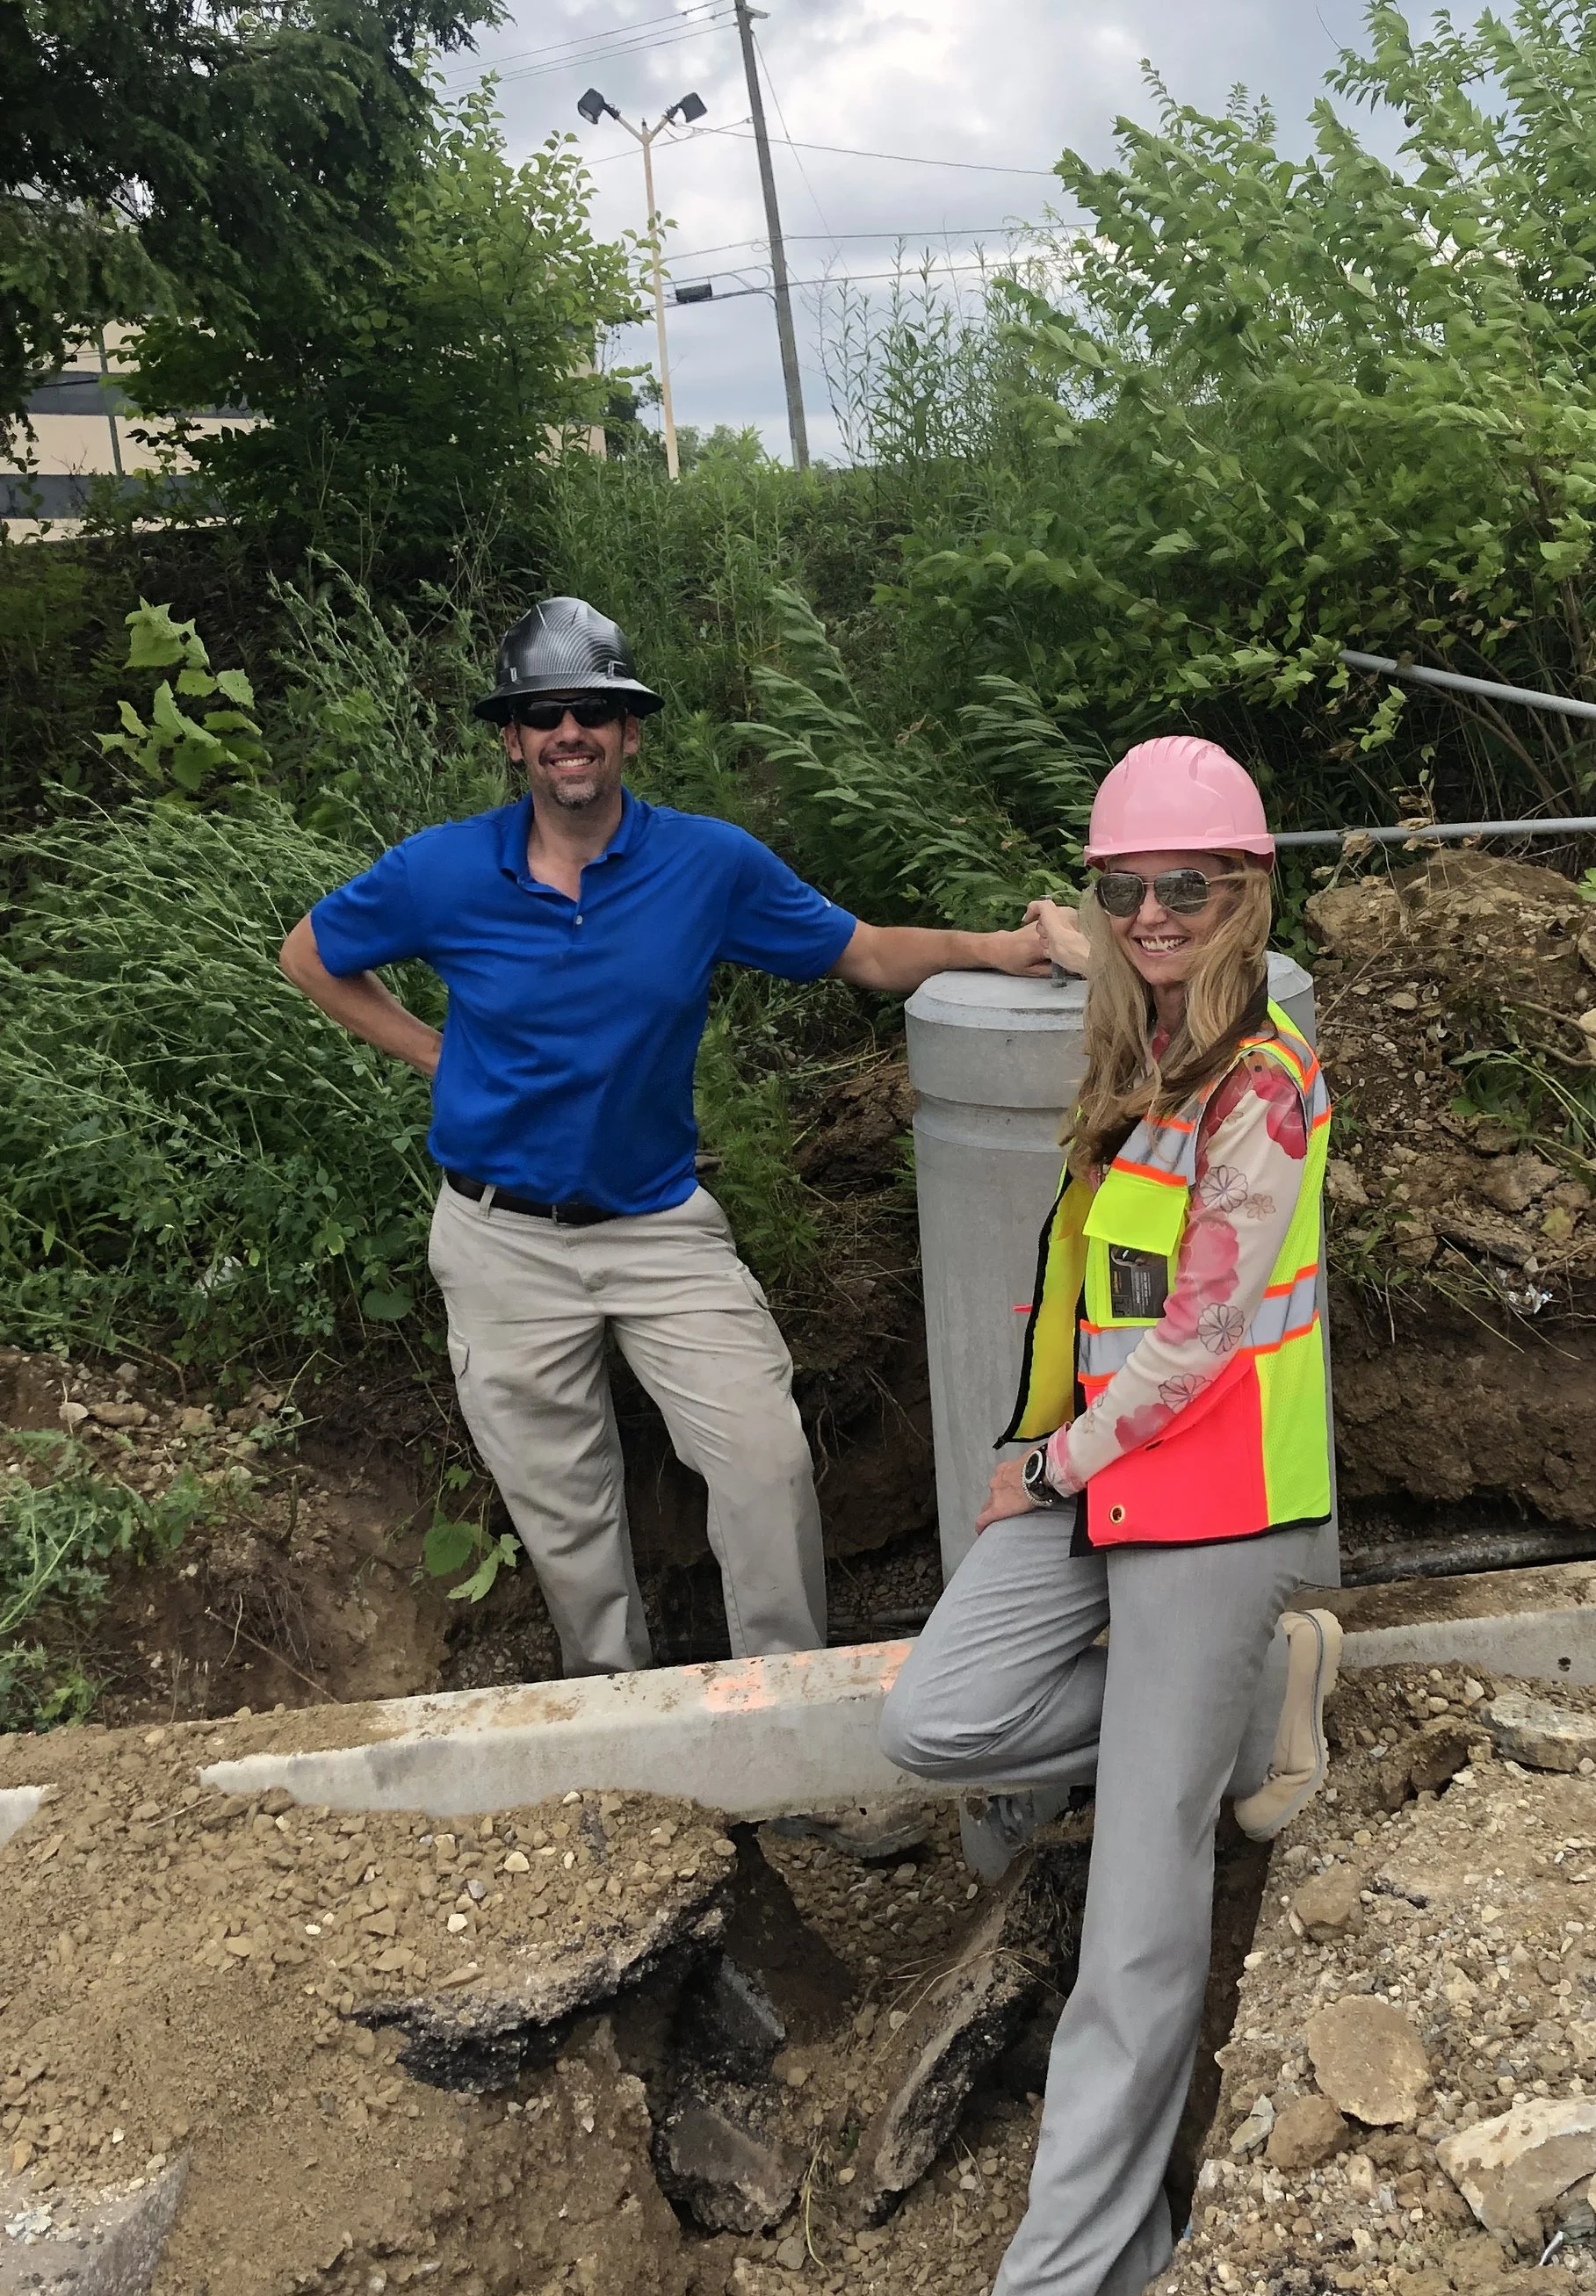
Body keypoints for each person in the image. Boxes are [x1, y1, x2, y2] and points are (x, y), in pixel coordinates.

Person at [278, 594, 1053, 1678]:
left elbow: (865, 952)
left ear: (629, 731)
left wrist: (1002, 949)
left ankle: (781, 1720)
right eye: (543, 714)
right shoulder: (443, 871)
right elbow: (310, 955)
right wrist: (433, 1052)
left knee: (765, 1463)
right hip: (499, 1240)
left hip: (656, 1225)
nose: (568, 733)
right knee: (565, 1518)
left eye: (592, 710)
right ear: (513, 740)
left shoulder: (707, 864)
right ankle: (635, 1754)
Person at [877, 733, 1343, 2296]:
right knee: (936, 1716)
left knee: (1140, 1912)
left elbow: (1205, 1338)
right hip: (1099, 1470)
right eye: (1125, 886)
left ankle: (1081, 2265)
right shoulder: (1144, 1013)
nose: (1153, 910)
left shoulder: (1264, 1079)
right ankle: (1244, 1707)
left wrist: (1051, 1460)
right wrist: (1091, 947)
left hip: (1201, 1487)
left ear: (1249, 888)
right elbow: (1143, 956)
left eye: (1187, 885)